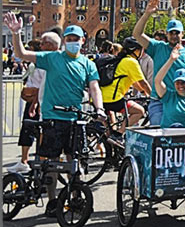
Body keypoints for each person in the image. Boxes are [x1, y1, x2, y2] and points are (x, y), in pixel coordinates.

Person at [3, 15, 105, 216]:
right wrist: (16, 33)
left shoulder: (88, 63)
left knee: (76, 160)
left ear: (82, 41)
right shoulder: (52, 58)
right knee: (51, 161)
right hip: (52, 118)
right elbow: (21, 53)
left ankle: (75, 196)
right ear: (64, 41)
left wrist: (99, 109)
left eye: (77, 39)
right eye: (70, 39)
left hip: (76, 119)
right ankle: (51, 200)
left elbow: (95, 88)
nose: (73, 42)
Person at [133, 0, 185, 126]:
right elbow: (137, 34)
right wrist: (147, 13)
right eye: (171, 33)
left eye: (177, 33)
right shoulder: (157, 47)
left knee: (182, 133)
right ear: (167, 33)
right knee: (159, 132)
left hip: (181, 100)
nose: (174, 36)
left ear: (182, 33)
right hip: (160, 101)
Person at [10, 33, 61, 174]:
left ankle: (42, 166)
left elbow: (44, 84)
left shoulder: (50, 61)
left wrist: (35, 102)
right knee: (30, 130)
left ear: (50, 45)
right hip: (38, 100)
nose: (40, 46)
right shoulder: (47, 59)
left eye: (43, 43)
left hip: (42, 102)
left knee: (42, 134)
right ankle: (27, 161)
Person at [101, 37, 151, 136]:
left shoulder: (120, 60)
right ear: (136, 50)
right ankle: (119, 134)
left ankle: (112, 139)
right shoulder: (131, 62)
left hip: (100, 98)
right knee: (139, 111)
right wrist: (153, 95)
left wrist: (142, 92)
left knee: (110, 127)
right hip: (113, 99)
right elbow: (143, 83)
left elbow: (133, 82)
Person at [153, 47, 185, 129]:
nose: (181, 85)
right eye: (178, 82)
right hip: (168, 136)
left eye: (184, 82)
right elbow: (157, 81)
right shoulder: (169, 97)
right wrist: (171, 60)